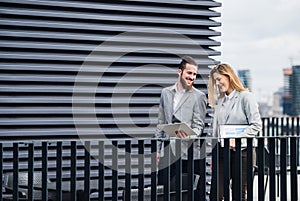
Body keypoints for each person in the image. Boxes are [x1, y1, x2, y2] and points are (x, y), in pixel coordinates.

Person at [208, 63, 262, 201]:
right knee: (216, 193)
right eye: (215, 81)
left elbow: (256, 125)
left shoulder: (245, 97)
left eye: (219, 79)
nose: (218, 84)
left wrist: (236, 138)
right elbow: (216, 130)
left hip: (243, 152)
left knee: (239, 194)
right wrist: (213, 153)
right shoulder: (220, 101)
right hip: (221, 153)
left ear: (229, 76)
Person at [155, 55, 207, 189]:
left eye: (194, 74)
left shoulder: (199, 96)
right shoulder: (165, 93)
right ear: (180, 72)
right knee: (164, 190)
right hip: (168, 151)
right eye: (189, 73)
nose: (192, 77)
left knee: (186, 192)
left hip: (188, 153)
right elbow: (161, 122)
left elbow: (198, 125)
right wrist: (158, 150)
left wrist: (190, 135)